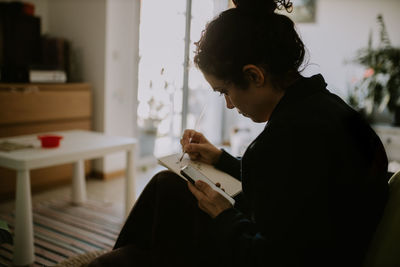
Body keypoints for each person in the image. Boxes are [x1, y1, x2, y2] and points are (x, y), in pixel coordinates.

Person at [89, 0, 389, 266]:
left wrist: (224, 216)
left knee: (152, 212)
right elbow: (289, 183)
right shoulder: (328, 109)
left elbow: (271, 257)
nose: (230, 105)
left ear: (254, 75)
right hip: (340, 246)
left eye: (225, 92)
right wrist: (220, 158)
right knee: (168, 185)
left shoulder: (283, 139)